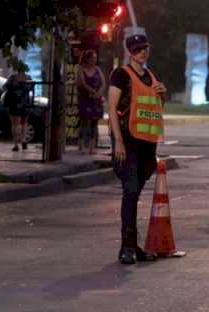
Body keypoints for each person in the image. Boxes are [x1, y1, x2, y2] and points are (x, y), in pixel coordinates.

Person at [107, 33, 166, 264]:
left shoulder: (151, 76)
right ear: (130, 51)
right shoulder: (121, 74)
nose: (142, 52)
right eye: (138, 49)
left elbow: (154, 109)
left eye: (145, 48)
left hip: (147, 144)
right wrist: (118, 142)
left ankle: (133, 245)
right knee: (130, 191)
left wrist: (162, 93)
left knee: (135, 192)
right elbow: (111, 108)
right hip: (128, 141)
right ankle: (127, 246)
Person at [77, 50, 106, 155]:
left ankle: (91, 147)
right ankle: (81, 146)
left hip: (96, 99)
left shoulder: (97, 69)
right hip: (85, 98)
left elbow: (103, 83)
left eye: (96, 57)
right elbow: (82, 83)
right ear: (87, 59)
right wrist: (90, 90)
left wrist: (99, 93)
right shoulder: (81, 69)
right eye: (93, 57)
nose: (95, 59)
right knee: (84, 122)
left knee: (94, 123)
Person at [4, 67, 31, 152]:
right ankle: (23, 140)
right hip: (25, 102)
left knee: (15, 124)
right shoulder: (28, 78)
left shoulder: (12, 77)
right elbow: (31, 88)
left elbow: (5, 87)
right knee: (24, 123)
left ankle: (15, 144)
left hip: (14, 103)